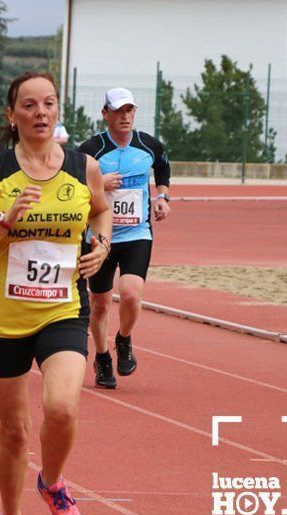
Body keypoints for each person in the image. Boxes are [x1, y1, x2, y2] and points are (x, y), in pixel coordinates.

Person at [0, 72, 111, 515]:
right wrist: (5, 220)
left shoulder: (83, 167)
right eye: (29, 105)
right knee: (15, 432)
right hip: (3, 316)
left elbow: (100, 209)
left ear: (58, 110)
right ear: (11, 114)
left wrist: (101, 244)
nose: (40, 113)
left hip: (63, 308)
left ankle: (53, 483)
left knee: (61, 407)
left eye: (48, 104)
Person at [77, 88, 171, 389]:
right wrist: (98, 182)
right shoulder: (91, 148)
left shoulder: (148, 145)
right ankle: (103, 358)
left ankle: (124, 338)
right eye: (119, 111)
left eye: (130, 110)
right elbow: (72, 182)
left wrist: (162, 196)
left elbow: (163, 167)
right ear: (106, 114)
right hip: (99, 237)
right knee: (100, 302)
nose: (125, 116)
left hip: (136, 233)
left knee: (131, 293)